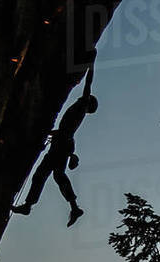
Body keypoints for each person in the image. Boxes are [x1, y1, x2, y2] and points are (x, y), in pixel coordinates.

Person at [12, 66, 97, 226]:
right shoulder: (78, 112)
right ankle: (71, 207)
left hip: (62, 144)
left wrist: (90, 64)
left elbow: (88, 83)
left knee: (43, 174)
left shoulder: (81, 106)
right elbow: (64, 130)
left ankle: (30, 205)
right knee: (56, 175)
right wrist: (50, 133)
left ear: (88, 102)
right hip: (63, 143)